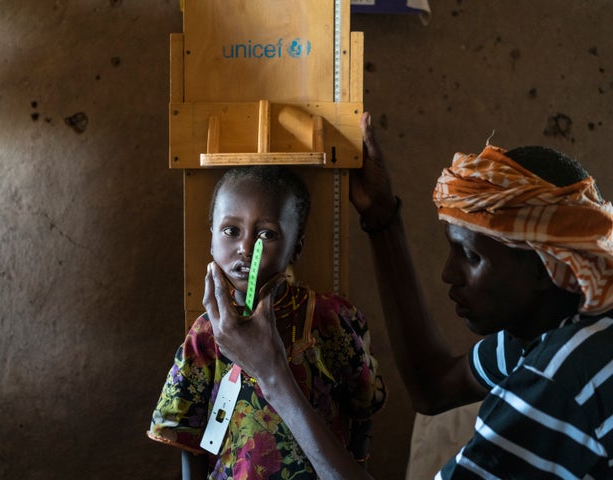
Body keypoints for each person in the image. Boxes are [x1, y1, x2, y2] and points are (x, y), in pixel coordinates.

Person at [205, 111, 613, 478]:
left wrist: (272, 373)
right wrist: (381, 220)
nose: (448, 274)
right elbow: (434, 386)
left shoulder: (560, 377)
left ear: (545, 266)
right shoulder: (558, 328)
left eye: (470, 255)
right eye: (230, 230)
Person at [147, 166, 386, 480]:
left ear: (296, 247)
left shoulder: (331, 319)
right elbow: (188, 435)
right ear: (211, 237)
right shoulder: (207, 334)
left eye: (267, 234)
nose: (246, 249)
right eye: (231, 231)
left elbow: (362, 408)